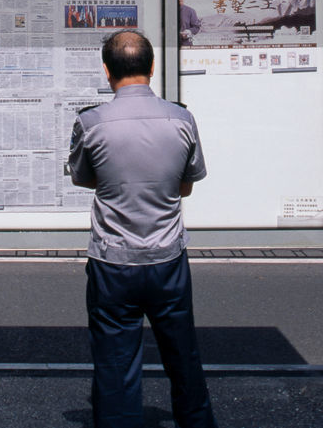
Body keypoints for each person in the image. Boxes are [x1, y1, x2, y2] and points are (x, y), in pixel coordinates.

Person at [68, 30, 217, 428]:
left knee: (116, 364)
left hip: (112, 261)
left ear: (106, 71)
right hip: (168, 257)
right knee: (183, 356)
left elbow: (84, 179)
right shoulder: (181, 118)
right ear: (152, 68)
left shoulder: (90, 122)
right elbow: (186, 184)